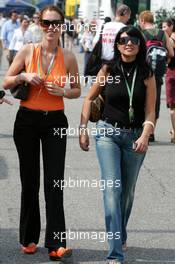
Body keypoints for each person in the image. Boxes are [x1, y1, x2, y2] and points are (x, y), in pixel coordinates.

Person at [3, 5, 80, 261]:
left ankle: (56, 244)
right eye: (46, 23)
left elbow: (77, 90)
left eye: (56, 23)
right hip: (26, 121)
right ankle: (29, 239)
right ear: (40, 23)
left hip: (55, 121)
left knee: (54, 183)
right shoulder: (28, 50)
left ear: (62, 26)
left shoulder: (68, 56)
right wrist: (24, 75)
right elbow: (6, 81)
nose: (51, 28)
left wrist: (64, 92)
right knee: (30, 181)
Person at [79, 26, 156, 264]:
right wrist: (83, 130)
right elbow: (90, 97)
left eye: (133, 39)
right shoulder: (108, 68)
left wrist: (145, 135)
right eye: (124, 40)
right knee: (112, 190)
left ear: (139, 44)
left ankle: (120, 232)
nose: (129, 43)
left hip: (135, 137)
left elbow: (151, 111)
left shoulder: (147, 74)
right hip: (107, 134)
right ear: (118, 44)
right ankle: (115, 252)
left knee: (127, 193)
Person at [139, 10, 174, 141]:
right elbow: (171, 53)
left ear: (142, 21)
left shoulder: (142, 34)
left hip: (143, 74)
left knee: (142, 100)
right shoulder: (162, 33)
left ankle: (142, 130)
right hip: (157, 75)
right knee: (155, 102)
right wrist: (164, 63)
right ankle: (151, 132)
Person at [162, 18, 175, 143]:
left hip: (172, 73)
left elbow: (169, 56)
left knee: (172, 107)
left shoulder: (170, 39)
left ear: (171, 26)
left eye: (165, 26)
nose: (163, 29)